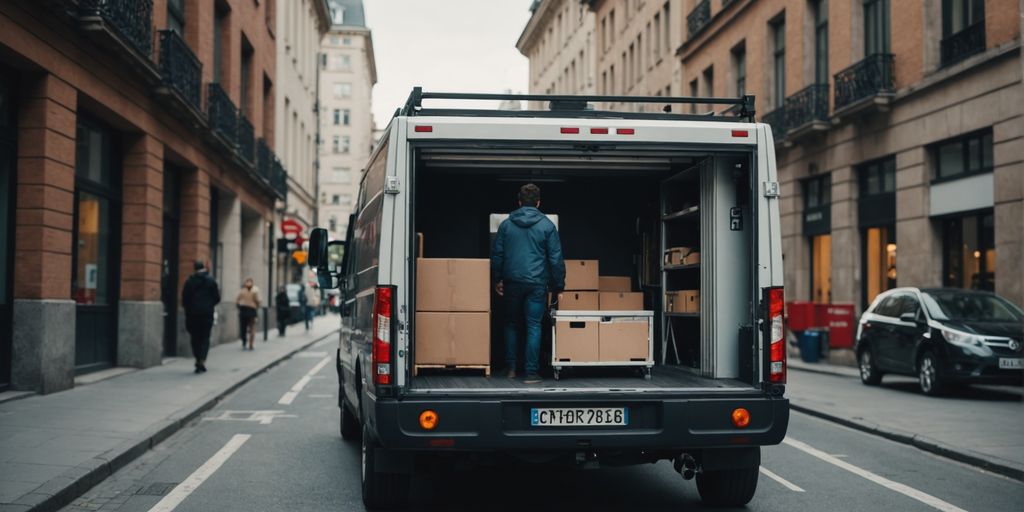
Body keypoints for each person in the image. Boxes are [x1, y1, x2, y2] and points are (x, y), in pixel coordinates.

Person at [491, 183, 565, 384]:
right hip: (537, 283)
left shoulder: (506, 225)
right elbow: (556, 258)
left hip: (512, 282)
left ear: (519, 201)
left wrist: (498, 279)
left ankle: (512, 369)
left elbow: (497, 254)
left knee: (511, 324)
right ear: (539, 202)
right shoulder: (547, 226)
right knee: (534, 325)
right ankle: (531, 373)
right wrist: (558, 284)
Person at [182, 260, 221, 373]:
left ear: (194, 268)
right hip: (207, 314)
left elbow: (185, 299)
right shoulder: (211, 280)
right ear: (203, 267)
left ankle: (198, 358)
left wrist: (189, 309)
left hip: (192, 314)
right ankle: (202, 360)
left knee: (195, 338)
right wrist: (209, 305)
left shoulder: (189, 281)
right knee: (205, 337)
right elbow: (217, 297)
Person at [236, 278, 261, 350]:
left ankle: (244, 342)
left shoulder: (242, 291)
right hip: (251, 310)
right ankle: (250, 344)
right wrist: (257, 306)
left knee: (243, 327)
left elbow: (237, 301)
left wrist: (239, 307)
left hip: (243, 310)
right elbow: (257, 301)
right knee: (252, 328)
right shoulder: (254, 291)